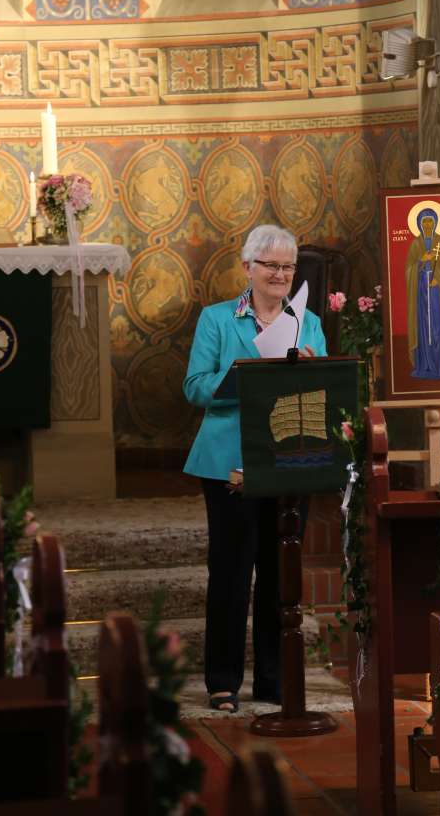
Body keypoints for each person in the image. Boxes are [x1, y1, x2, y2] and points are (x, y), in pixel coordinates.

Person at [183, 224, 327, 713]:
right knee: (230, 570)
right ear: (248, 267)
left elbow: (325, 385)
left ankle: (274, 678)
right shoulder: (218, 319)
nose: (281, 275)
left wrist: (311, 370)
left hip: (290, 457)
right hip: (229, 462)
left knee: (279, 571)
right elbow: (195, 387)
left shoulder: (307, 321)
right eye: (271, 266)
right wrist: (243, 377)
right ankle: (222, 681)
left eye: (289, 267)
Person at [405, 207, 440, 380]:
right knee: (423, 325)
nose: (427, 225)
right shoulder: (415, 244)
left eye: (430, 222)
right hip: (420, 291)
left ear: (435, 224)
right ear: (419, 224)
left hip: (435, 292)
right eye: (424, 222)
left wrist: (439, 281)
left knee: (436, 325)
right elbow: (408, 269)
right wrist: (421, 262)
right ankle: (425, 364)